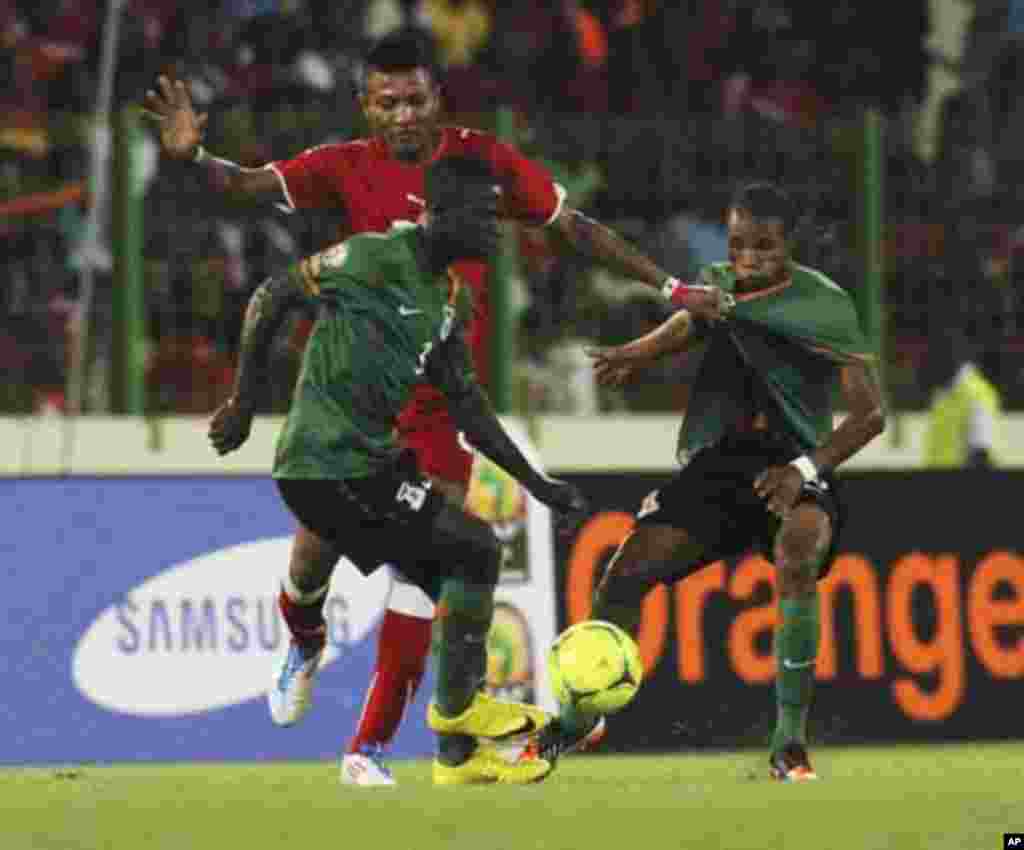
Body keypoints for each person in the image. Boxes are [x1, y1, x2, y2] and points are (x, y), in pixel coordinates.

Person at [143, 31, 705, 784]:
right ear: (366, 107)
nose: (405, 114)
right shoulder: (344, 167)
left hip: (439, 398)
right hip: (354, 401)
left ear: (439, 96)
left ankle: (370, 748)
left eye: (417, 98)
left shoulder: (481, 165)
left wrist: (668, 288)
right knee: (311, 562)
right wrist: (192, 159)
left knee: (432, 572)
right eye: (389, 102)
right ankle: (304, 640)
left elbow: (574, 227)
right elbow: (246, 190)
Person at [208, 153, 587, 784]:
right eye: (484, 217)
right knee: (469, 551)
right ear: (440, 215)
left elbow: (466, 402)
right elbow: (272, 295)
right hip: (323, 464)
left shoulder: (446, 294)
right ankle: (450, 718)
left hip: (368, 466)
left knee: (458, 555)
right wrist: (245, 404)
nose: (497, 230)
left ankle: (415, 741)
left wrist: (537, 484)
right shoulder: (369, 259)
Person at [558, 183, 885, 780]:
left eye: (763, 247)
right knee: (623, 575)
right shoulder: (721, 285)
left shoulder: (825, 305)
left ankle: (789, 742)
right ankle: (579, 720)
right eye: (738, 245)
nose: (748, 259)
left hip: (792, 462)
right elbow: (692, 320)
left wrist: (805, 471)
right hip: (719, 462)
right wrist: (638, 351)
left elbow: (871, 414)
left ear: (790, 246)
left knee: (797, 553)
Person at [922, 327, 1002, 468]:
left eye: (932, 358)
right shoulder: (941, 394)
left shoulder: (977, 395)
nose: (926, 365)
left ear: (953, 357)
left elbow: (981, 454)